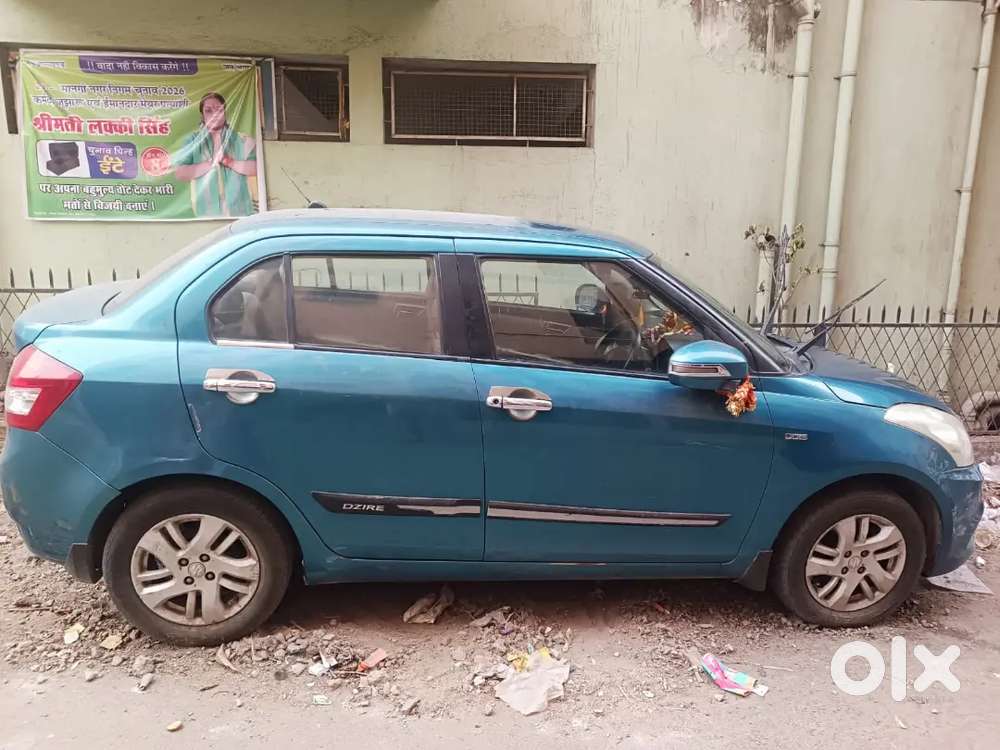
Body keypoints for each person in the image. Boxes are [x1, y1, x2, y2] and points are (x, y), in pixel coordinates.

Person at [174, 92, 257, 217]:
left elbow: (256, 168)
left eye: (218, 109)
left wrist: (230, 162)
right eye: (208, 110)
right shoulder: (192, 141)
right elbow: (180, 173)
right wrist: (210, 164)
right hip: (206, 213)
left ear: (225, 112)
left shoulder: (243, 140)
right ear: (202, 115)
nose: (214, 114)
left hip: (240, 211)